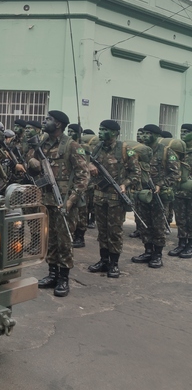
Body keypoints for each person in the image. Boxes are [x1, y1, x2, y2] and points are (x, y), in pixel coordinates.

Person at [29, 110, 89, 297]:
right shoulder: (42, 144)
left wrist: (70, 201)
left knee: (64, 241)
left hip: (64, 202)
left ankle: (63, 278)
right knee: (50, 240)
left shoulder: (71, 145)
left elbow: (83, 176)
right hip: (47, 200)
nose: (44, 121)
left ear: (58, 124)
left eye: (48, 119)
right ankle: (52, 274)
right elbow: (33, 168)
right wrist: (32, 161)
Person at [87, 120, 140, 278]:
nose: (101, 132)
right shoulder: (97, 148)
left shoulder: (124, 150)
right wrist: (89, 166)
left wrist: (125, 184)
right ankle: (103, 260)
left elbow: (135, 173)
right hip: (99, 198)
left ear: (115, 133)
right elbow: (85, 164)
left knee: (115, 232)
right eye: (100, 129)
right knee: (102, 231)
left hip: (116, 199)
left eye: (105, 130)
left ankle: (114, 264)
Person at [131, 124, 180, 268]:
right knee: (143, 224)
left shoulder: (166, 152)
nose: (144, 136)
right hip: (141, 193)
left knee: (158, 226)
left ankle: (157, 254)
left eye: (148, 134)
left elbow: (175, 174)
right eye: (143, 133)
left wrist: (161, 184)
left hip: (158, 195)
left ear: (156, 136)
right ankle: (147, 251)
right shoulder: (136, 151)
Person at [169, 124, 192, 258]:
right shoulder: (178, 150)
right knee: (180, 219)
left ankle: (190, 245)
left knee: (191, 219)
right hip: (179, 191)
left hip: (190, 191)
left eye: (187, 132)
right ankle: (182, 243)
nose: (183, 134)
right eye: (182, 131)